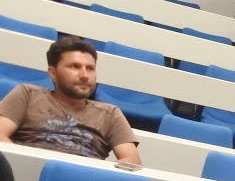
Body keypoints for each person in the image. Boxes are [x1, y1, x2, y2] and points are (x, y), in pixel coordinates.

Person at [0, 37, 140, 163]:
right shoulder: (28, 94)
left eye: (90, 68)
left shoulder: (110, 114)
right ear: (53, 73)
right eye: (74, 67)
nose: (84, 75)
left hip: (83, 179)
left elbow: (132, 160)